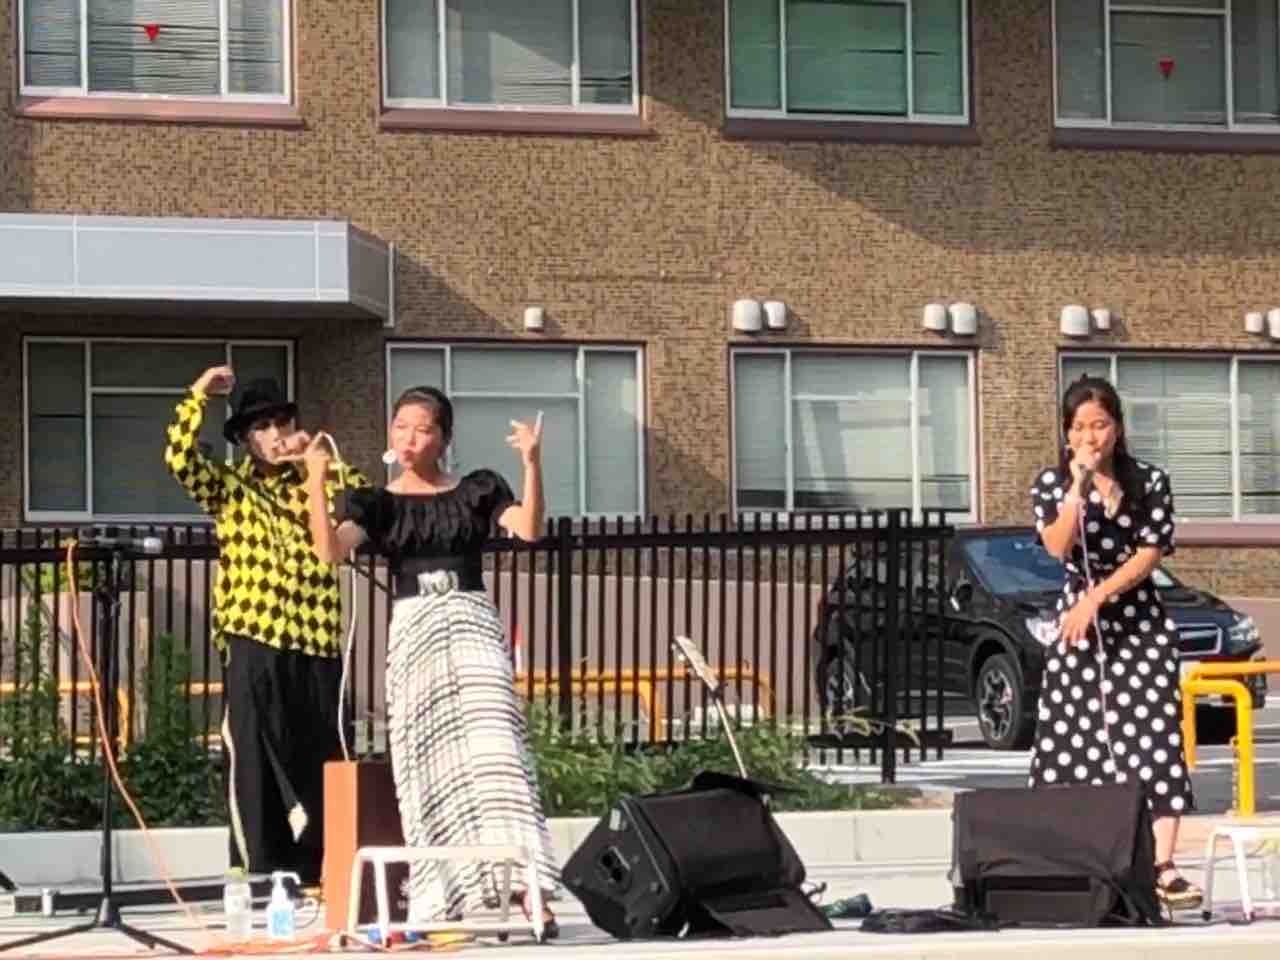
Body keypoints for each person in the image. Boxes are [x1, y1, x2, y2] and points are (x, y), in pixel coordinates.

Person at [304, 386, 560, 932]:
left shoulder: (477, 489)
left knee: (498, 751)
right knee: (422, 760)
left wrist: (533, 463)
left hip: (469, 619)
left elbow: (530, 529)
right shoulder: (377, 502)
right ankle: (440, 893)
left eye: (423, 429)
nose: (410, 438)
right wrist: (316, 484)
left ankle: (529, 886)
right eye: (401, 427)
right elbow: (329, 551)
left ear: (444, 438)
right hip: (414, 625)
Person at [164, 367, 368, 885]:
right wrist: (198, 395)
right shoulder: (229, 488)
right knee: (253, 754)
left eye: (282, 423)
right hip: (252, 635)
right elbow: (179, 459)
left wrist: (320, 462)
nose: (275, 435)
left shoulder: (322, 476)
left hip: (316, 638)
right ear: (245, 439)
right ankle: (256, 866)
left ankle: (323, 867)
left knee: (322, 751)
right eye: (261, 427)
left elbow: (368, 504)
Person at [1028, 375, 1200, 911]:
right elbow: (1056, 547)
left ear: (1118, 428)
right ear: (1066, 433)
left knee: (1154, 735)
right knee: (1072, 735)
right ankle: (1073, 860)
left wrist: (1096, 598)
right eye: (1079, 427)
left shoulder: (1149, 481)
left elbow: (1150, 553)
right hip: (1077, 625)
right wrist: (1077, 489)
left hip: (1136, 620)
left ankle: (1163, 865)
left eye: (1100, 425)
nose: (1090, 437)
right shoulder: (1051, 484)